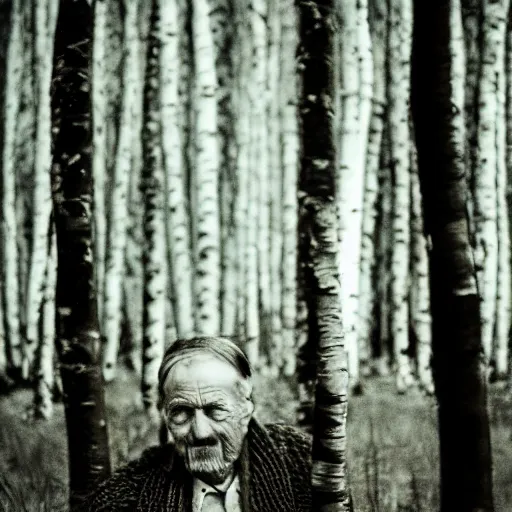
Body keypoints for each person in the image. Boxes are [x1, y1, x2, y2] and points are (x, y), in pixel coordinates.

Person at [83, 336, 313, 511]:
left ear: (246, 408)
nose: (200, 433)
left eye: (215, 411)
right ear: (164, 415)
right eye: (181, 412)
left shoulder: (302, 465)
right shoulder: (123, 498)